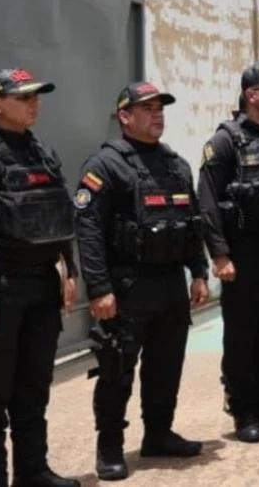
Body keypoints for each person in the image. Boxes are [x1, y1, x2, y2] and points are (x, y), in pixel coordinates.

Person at [74, 82, 207, 480]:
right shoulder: (105, 166)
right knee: (117, 368)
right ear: (125, 116)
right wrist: (99, 288)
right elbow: (89, 231)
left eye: (160, 108)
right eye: (147, 109)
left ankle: (159, 434)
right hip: (128, 285)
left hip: (170, 284)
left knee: (166, 366)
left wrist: (199, 272)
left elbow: (191, 222)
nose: (157, 114)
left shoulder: (175, 164)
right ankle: (110, 447)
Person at [0, 69, 79, 487]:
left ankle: (33, 473)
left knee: (34, 388)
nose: (34, 103)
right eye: (23, 97)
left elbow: (59, 212)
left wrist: (68, 271)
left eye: (36, 96)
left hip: (41, 285)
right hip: (0, 288)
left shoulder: (42, 152)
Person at [197, 62, 259, 442]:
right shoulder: (227, 141)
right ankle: (244, 409)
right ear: (251, 95)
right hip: (243, 252)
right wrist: (220, 254)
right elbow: (207, 201)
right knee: (243, 334)